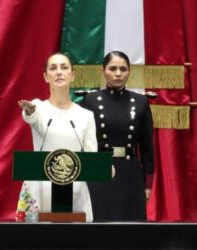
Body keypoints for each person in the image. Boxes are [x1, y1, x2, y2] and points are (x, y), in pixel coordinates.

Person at [17, 53, 97, 221]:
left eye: (64, 67)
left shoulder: (86, 116)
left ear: (72, 75)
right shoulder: (37, 106)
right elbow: (31, 116)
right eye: (53, 68)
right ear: (46, 77)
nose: (59, 72)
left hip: (74, 190)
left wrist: (103, 167)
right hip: (39, 188)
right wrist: (29, 111)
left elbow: (92, 157)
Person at [80, 51, 154, 221]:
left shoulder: (141, 102)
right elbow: (82, 143)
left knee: (131, 227)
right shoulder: (90, 100)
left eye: (123, 69)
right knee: (100, 224)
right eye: (112, 68)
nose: (118, 73)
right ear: (103, 71)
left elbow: (147, 148)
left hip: (130, 172)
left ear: (129, 71)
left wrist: (147, 184)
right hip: (98, 170)